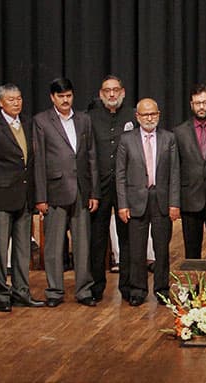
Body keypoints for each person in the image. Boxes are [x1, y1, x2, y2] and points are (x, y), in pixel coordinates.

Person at [32, 77, 99, 308]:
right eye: (61, 96)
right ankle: (54, 290)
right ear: (52, 98)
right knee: (53, 245)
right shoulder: (42, 121)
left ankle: (84, 290)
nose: (65, 100)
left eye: (68, 95)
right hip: (54, 190)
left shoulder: (84, 120)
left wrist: (94, 192)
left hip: (81, 190)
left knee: (82, 244)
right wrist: (40, 197)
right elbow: (39, 160)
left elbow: (91, 156)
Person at [0, 84, 45, 312]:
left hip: (24, 196)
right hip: (0, 196)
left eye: (19, 98)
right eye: (11, 100)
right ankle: (2, 292)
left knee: (22, 248)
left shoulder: (28, 123)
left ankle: (21, 291)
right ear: (0, 102)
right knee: (0, 249)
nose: (16, 103)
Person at [115, 98, 179, 306]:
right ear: (137, 117)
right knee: (136, 249)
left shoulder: (169, 138)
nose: (149, 118)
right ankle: (137, 289)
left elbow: (175, 173)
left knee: (162, 249)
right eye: (145, 115)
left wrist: (174, 203)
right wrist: (123, 204)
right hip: (135, 201)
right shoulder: (127, 140)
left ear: (159, 114)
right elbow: (120, 174)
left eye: (153, 114)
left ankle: (161, 289)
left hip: (161, 200)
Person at [87, 75, 134, 298]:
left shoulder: (132, 115)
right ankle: (96, 288)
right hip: (100, 187)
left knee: (127, 238)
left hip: (126, 188)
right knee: (97, 238)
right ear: (101, 93)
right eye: (108, 91)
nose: (112, 94)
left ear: (123, 91)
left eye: (116, 90)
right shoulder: (90, 117)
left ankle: (127, 286)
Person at [173, 84, 206, 259]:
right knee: (192, 251)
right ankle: (192, 286)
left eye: (204, 102)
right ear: (191, 104)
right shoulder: (179, 132)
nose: (201, 106)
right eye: (197, 103)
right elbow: (175, 169)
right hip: (190, 198)